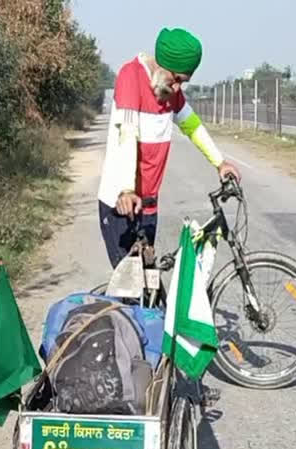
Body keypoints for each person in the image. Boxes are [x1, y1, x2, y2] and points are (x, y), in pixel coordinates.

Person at [97, 27, 241, 269]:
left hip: (149, 204)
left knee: (147, 283)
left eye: (183, 83)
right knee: (128, 290)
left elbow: (193, 126)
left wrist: (220, 162)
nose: (177, 89)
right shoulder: (131, 75)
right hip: (122, 203)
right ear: (162, 64)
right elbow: (127, 135)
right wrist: (126, 189)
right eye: (177, 80)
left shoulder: (167, 89)